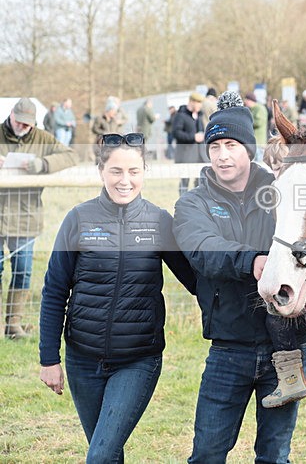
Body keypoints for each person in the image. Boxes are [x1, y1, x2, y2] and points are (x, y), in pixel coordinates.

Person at [38, 132, 196, 462]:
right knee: (108, 453)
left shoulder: (159, 222)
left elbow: (197, 281)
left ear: (144, 172)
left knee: (99, 456)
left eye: (134, 171)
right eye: (116, 171)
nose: (125, 180)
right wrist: (49, 358)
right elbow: (54, 291)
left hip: (138, 360)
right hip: (82, 360)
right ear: (101, 171)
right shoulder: (78, 219)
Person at [173, 93, 306, 463]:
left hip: (286, 346)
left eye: (231, 145)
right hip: (228, 348)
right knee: (207, 453)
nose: (222, 155)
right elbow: (204, 249)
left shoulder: (282, 192)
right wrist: (252, 261)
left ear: (248, 148)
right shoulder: (192, 204)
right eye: (214, 146)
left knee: (274, 455)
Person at [0, 98, 78, 338]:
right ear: (11, 115)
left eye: (27, 124)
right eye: (19, 122)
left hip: (26, 216)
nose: (22, 127)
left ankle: (14, 324)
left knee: (22, 270)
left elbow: (70, 156)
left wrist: (42, 163)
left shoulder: (43, 138)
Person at [172, 92, 207, 195]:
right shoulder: (180, 115)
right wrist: (193, 137)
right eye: (198, 103)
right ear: (191, 102)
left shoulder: (199, 115)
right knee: (184, 182)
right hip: (186, 155)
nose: (200, 106)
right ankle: (182, 201)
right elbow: (176, 133)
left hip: (200, 155)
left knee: (200, 181)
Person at [243, 92, 268, 159]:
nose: (245, 102)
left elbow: (259, 122)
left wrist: (247, 122)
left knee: (258, 162)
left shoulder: (260, 108)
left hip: (259, 142)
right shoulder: (251, 109)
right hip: (252, 142)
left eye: (246, 100)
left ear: (250, 100)